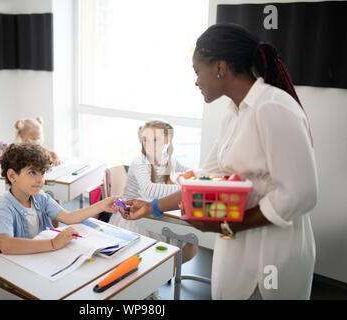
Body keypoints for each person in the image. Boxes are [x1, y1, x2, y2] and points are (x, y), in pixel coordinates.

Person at [119, 23, 318, 300]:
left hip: (271, 252)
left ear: (220, 67)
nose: (196, 81)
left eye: (197, 70)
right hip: (235, 245)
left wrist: (229, 225)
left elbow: (302, 194)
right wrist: (151, 206)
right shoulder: (233, 114)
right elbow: (203, 179)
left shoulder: (273, 107)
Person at [0, 142, 119, 254]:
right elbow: (6, 245)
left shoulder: (40, 197)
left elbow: (68, 218)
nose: (39, 180)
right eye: (32, 172)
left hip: (43, 257)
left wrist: (101, 205)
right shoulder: (4, 209)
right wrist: (52, 244)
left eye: (41, 173)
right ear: (12, 176)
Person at [109, 120, 198, 263]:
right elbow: (149, 190)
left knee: (190, 238)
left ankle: (165, 270)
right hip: (133, 218)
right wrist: (184, 189)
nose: (150, 144)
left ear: (167, 140)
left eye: (156, 140)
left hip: (152, 213)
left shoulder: (168, 160)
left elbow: (189, 171)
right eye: (146, 140)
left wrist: (198, 176)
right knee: (151, 257)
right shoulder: (140, 162)